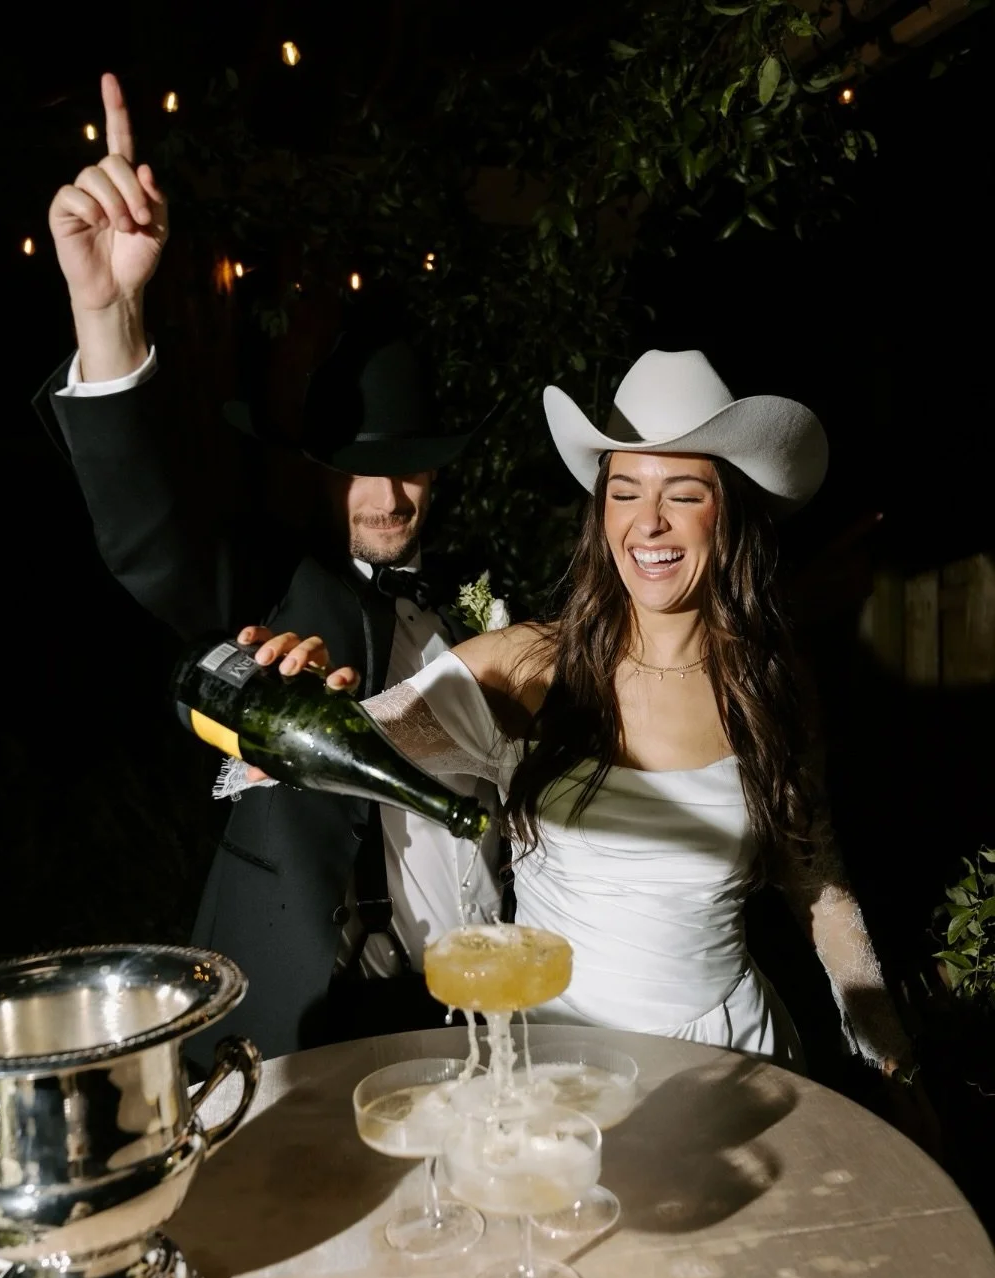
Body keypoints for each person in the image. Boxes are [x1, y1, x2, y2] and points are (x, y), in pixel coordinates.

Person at [238, 348, 918, 1079]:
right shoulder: (527, 668)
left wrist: (891, 1054)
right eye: (625, 491)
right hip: (556, 1070)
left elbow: (817, 884)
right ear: (601, 512)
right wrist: (294, 690)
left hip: (732, 1062)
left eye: (683, 494)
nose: (649, 524)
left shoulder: (770, 687)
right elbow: (300, 757)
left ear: (730, 514)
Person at [31, 73, 504, 1062]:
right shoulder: (276, 587)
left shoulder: (489, 606)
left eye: (407, 466)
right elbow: (149, 542)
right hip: (304, 1018)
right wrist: (108, 317)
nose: (389, 498)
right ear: (313, 472)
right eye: (357, 470)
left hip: (476, 1010)